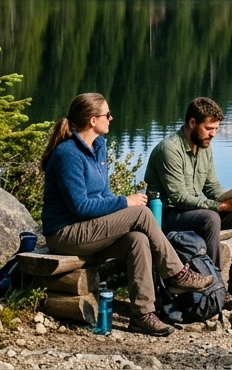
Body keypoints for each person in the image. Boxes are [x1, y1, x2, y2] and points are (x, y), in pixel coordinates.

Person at [41, 93, 214, 336]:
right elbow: (80, 207)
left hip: (89, 230)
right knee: (141, 214)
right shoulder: (67, 154)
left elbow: (102, 195)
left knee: (138, 240)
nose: (111, 118)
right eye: (107, 115)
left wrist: (120, 204)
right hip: (65, 234)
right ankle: (177, 274)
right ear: (92, 120)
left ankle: (142, 314)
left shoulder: (98, 147)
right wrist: (125, 202)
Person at [145, 97, 232, 298]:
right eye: (209, 128)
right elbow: (179, 198)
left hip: (192, 212)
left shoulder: (204, 148)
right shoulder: (169, 150)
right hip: (165, 217)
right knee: (210, 217)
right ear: (192, 123)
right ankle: (216, 287)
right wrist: (219, 206)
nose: (213, 134)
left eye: (216, 129)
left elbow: (211, 186)